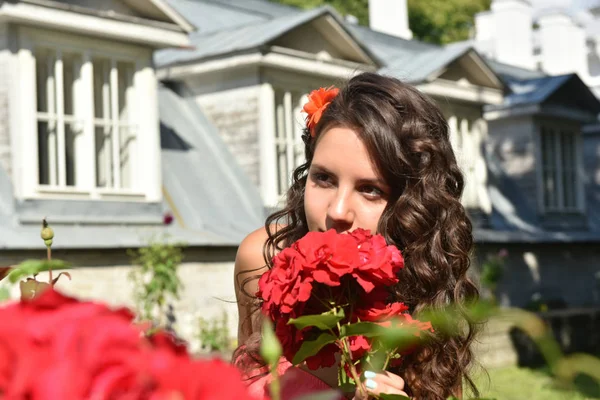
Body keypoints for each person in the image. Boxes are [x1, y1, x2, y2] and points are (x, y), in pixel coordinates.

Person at [233, 72, 480, 400]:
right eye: (323, 178)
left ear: (412, 205)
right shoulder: (262, 261)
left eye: (370, 189)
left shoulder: (423, 299)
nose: (337, 210)